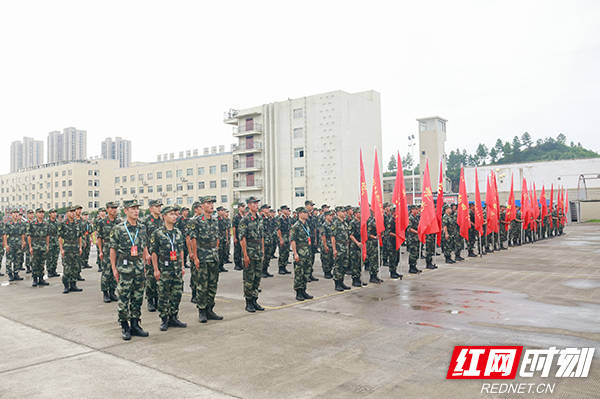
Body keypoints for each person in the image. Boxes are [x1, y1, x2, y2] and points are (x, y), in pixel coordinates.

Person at [110, 199, 149, 341]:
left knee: (137, 298)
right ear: (125, 211)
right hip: (125, 269)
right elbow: (113, 250)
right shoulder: (119, 228)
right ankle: (124, 326)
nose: (136, 211)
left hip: (139, 268)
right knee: (124, 298)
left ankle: (135, 324)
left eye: (137, 208)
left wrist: (146, 260)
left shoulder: (142, 227)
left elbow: (143, 246)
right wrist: (114, 268)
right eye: (132, 208)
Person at [150, 205, 187, 331]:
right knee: (164, 295)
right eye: (171, 214)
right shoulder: (158, 233)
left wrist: (182, 265)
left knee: (177, 293)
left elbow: (181, 250)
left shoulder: (178, 232)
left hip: (176, 267)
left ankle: (174, 317)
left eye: (175, 214)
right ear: (164, 216)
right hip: (164, 268)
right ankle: (164, 319)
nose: (174, 216)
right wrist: (155, 269)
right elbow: (154, 252)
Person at [190, 196, 223, 323]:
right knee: (202, 285)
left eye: (212, 203)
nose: (211, 205)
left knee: (213, 284)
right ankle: (202, 311)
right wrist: (196, 257)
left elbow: (217, 237)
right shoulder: (196, 221)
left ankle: (210, 309)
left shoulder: (215, 220)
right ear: (202, 205)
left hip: (213, 255)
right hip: (203, 255)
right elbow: (193, 239)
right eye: (208, 203)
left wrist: (216, 251)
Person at [238, 196, 265, 313]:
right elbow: (242, 238)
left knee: (257, 278)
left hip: (258, 251)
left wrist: (263, 250)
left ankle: (255, 300)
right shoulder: (245, 220)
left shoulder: (259, 218)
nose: (256, 205)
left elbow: (261, 237)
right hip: (249, 251)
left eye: (257, 203)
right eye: (253, 203)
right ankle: (248, 302)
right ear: (248, 205)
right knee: (249, 278)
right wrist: (245, 255)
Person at [97, 202, 121, 303]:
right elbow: (99, 237)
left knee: (115, 271)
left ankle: (112, 291)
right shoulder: (102, 222)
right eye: (112, 208)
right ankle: (105, 293)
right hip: (107, 248)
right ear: (107, 209)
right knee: (106, 271)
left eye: (115, 208)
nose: (114, 210)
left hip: (117, 249)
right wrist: (100, 251)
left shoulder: (119, 221)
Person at [143, 199, 163, 312]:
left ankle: (158, 299)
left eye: (160, 206)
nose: (159, 208)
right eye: (156, 206)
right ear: (151, 208)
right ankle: (150, 300)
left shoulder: (162, 220)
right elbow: (143, 238)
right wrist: (146, 254)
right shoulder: (146, 221)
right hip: (150, 254)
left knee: (160, 278)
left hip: (161, 254)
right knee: (151, 278)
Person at [291, 207, 314, 301]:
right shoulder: (296, 226)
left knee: (306, 272)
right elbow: (292, 240)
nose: (307, 214)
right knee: (299, 273)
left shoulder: (306, 224)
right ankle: (298, 292)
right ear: (300, 214)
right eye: (305, 212)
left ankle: (304, 290)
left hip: (307, 252)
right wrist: (295, 253)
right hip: (300, 252)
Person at [58, 207, 83, 293]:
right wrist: (61, 249)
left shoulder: (77, 223)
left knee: (75, 267)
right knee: (67, 268)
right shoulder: (63, 224)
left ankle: (73, 285)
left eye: (73, 212)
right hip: (67, 247)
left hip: (75, 247)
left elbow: (80, 236)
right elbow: (60, 238)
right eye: (71, 212)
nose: (73, 213)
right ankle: (66, 286)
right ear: (67, 213)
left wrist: (80, 247)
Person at [27, 208, 50, 287]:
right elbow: (29, 235)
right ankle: (35, 279)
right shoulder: (32, 223)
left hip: (43, 245)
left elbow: (47, 235)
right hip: (35, 245)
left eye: (42, 212)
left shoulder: (46, 223)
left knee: (42, 263)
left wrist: (47, 245)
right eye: (40, 213)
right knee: (34, 263)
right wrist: (30, 247)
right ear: (36, 214)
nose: (41, 214)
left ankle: (41, 278)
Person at [331, 206, 351, 291]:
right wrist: (334, 249)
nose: (344, 213)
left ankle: (341, 282)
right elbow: (333, 237)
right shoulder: (335, 223)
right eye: (342, 212)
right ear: (338, 212)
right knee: (338, 266)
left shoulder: (345, 223)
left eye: (344, 212)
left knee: (344, 265)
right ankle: (337, 284)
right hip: (339, 247)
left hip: (345, 247)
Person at [4, 209, 26, 281]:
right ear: (11, 215)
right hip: (11, 244)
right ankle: (10, 274)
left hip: (18, 244)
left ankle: (16, 274)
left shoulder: (21, 224)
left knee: (17, 259)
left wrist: (23, 242)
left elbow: (22, 234)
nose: (16, 214)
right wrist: (6, 245)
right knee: (9, 260)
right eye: (14, 213)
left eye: (17, 213)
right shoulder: (8, 224)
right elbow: (5, 235)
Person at [276, 205, 292, 275]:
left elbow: (289, 229)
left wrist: (290, 237)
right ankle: (281, 268)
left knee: (286, 253)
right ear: (282, 210)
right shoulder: (280, 219)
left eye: (287, 209)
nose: (287, 210)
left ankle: (284, 267)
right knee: (282, 253)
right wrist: (280, 239)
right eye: (286, 209)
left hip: (287, 238)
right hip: (282, 237)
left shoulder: (288, 218)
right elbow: (278, 230)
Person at [406, 205, 422, 274]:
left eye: (417, 209)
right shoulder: (410, 218)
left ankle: (414, 266)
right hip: (412, 238)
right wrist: (417, 232)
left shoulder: (417, 218)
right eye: (415, 209)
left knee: (416, 253)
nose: (417, 210)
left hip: (417, 238)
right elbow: (409, 228)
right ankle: (411, 268)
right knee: (412, 253)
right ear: (412, 210)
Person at [260, 204, 275, 278]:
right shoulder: (260, 218)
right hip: (264, 241)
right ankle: (262, 271)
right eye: (266, 208)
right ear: (262, 209)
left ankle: (265, 270)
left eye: (269, 208)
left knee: (268, 257)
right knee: (263, 257)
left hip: (269, 240)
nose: (268, 210)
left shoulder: (268, 218)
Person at [46, 209, 60, 277]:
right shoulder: (46, 223)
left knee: (55, 257)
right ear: (49, 214)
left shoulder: (57, 222)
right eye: (53, 213)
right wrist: (47, 244)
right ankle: (49, 271)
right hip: (50, 242)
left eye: (55, 212)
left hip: (56, 242)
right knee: (49, 258)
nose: (54, 214)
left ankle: (54, 270)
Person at [232, 203, 246, 271]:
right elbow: (234, 227)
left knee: (242, 250)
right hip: (238, 236)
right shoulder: (236, 217)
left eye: (244, 207)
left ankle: (241, 264)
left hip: (243, 236)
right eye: (242, 207)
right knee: (237, 250)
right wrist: (234, 237)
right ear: (239, 208)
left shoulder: (245, 216)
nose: (244, 208)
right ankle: (237, 264)